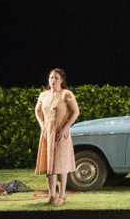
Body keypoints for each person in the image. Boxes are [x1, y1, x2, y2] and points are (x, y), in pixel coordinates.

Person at [34, 68, 79, 206]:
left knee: (60, 165)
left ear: (62, 80)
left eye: (56, 78)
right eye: (51, 77)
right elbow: (37, 111)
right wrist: (42, 125)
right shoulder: (43, 95)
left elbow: (76, 112)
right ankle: (52, 196)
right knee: (50, 166)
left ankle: (62, 196)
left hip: (61, 133)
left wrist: (66, 128)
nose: (53, 80)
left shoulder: (66, 94)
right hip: (47, 133)